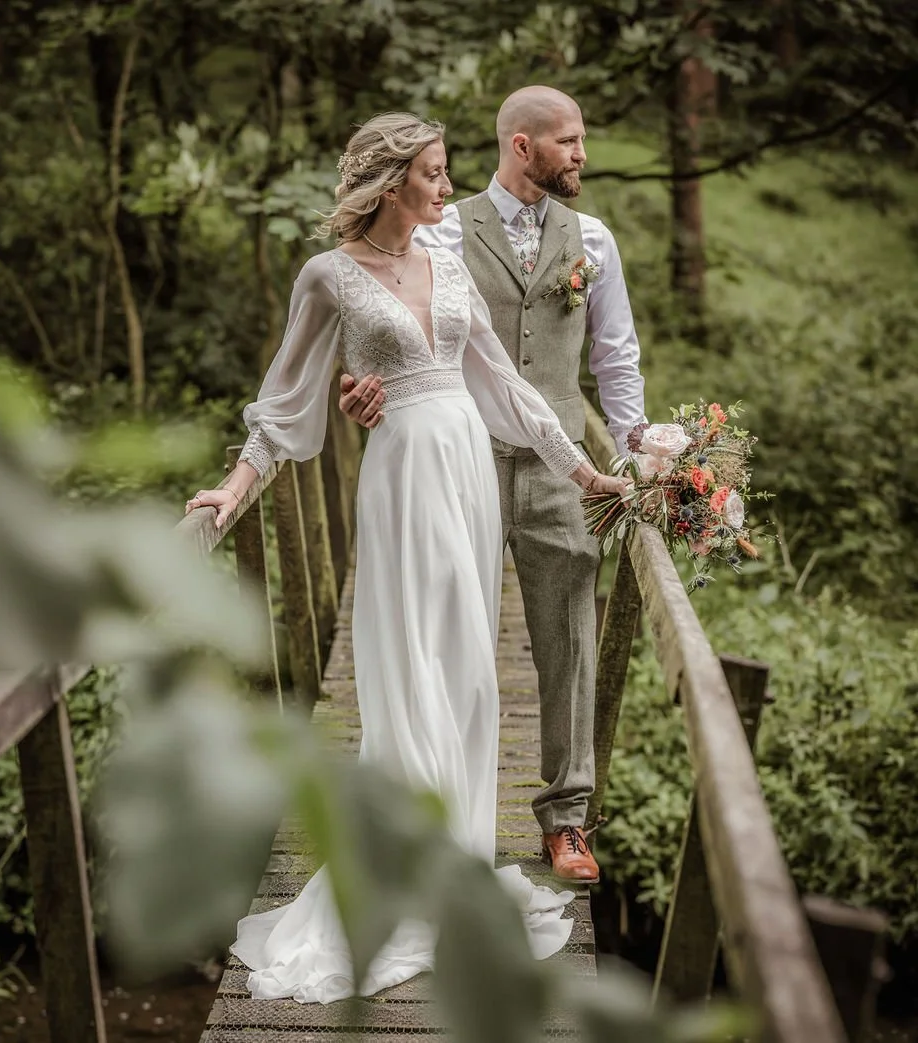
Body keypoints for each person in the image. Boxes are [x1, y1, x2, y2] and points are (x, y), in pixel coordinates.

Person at [184, 111, 629, 1005]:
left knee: (467, 671)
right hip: (399, 480)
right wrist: (230, 491)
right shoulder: (328, 278)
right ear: (391, 183)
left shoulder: (450, 260)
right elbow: (281, 402)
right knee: (408, 669)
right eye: (433, 171)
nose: (445, 183)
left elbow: (504, 384)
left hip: (464, 466)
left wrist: (585, 470)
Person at [338, 87, 648, 885]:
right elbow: (383, 303)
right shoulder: (441, 225)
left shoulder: (596, 241)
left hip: (557, 460)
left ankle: (567, 818)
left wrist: (638, 450)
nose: (583, 154)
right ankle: (438, 813)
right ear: (521, 144)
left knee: (569, 627)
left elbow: (614, 357)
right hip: (461, 455)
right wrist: (363, 382)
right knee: (451, 636)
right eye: (570, 140)